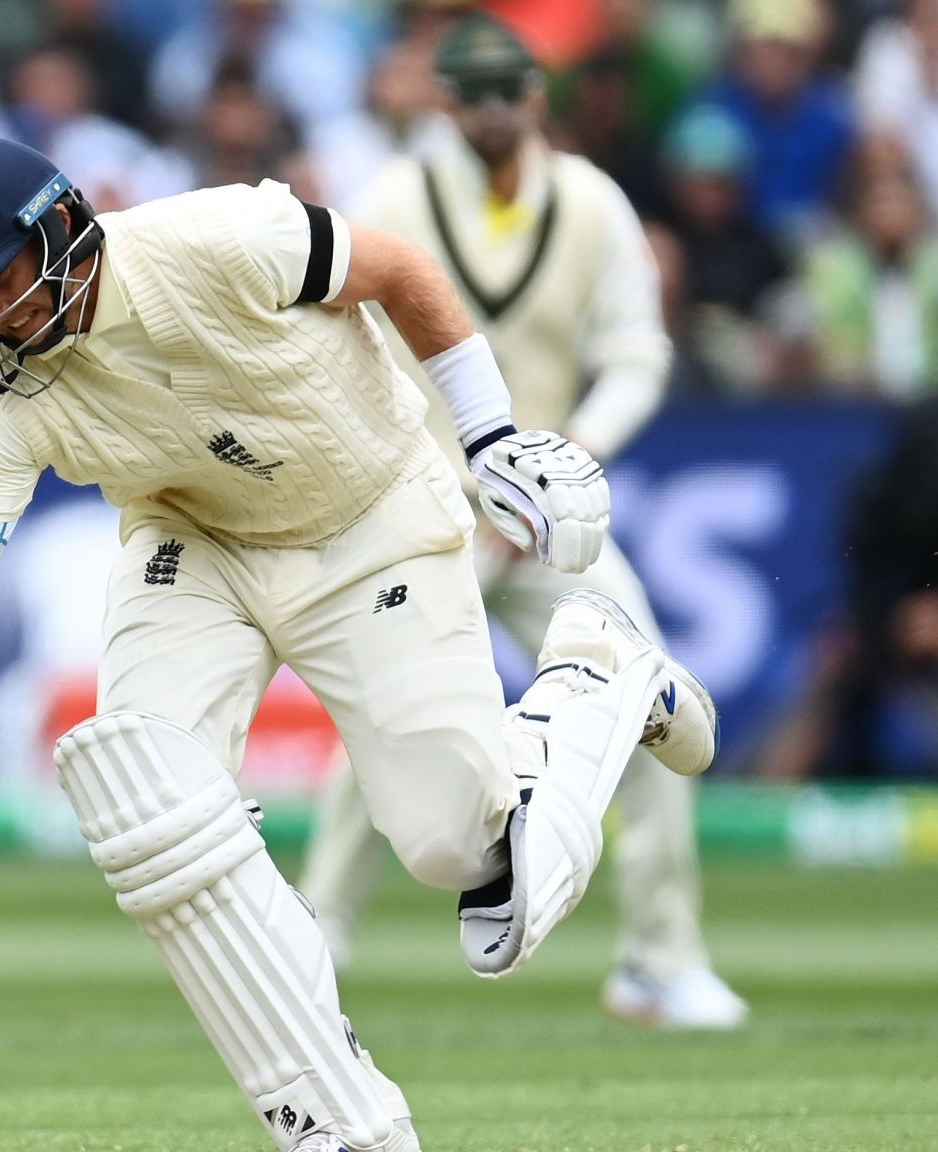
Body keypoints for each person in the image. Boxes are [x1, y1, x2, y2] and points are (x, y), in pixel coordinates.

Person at [0, 131, 720, 1152]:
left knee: (467, 865)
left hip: (371, 517)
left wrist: (489, 439)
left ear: (59, 226)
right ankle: (347, 1126)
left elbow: (401, 271)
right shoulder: (12, 400)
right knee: (145, 790)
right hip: (194, 543)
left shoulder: (218, 236)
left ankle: (597, 673)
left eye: (1, 283)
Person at [300, 15, 748, 1033]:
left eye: (512, 92)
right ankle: (315, 944)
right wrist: (430, 484)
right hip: (421, 507)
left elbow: (638, 354)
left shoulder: (592, 203)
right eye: (476, 95)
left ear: (538, 97)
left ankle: (660, 958)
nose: (495, 112)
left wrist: (558, 468)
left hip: (549, 522)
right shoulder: (394, 198)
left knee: (646, 684)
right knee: (381, 720)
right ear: (444, 102)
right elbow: (349, 357)